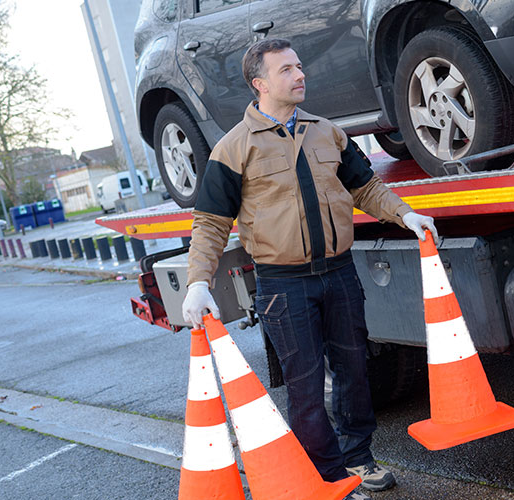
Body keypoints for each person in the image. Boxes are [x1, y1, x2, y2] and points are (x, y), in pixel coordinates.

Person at [180, 37, 437, 498]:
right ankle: (330, 477)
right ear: (259, 83)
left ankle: (360, 458)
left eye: (299, 66)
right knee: (304, 386)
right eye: (287, 70)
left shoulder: (328, 131)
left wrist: (405, 214)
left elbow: (366, 187)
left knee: (354, 370)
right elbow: (211, 223)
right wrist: (198, 282)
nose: (300, 75)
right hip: (284, 285)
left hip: (339, 273)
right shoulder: (233, 148)